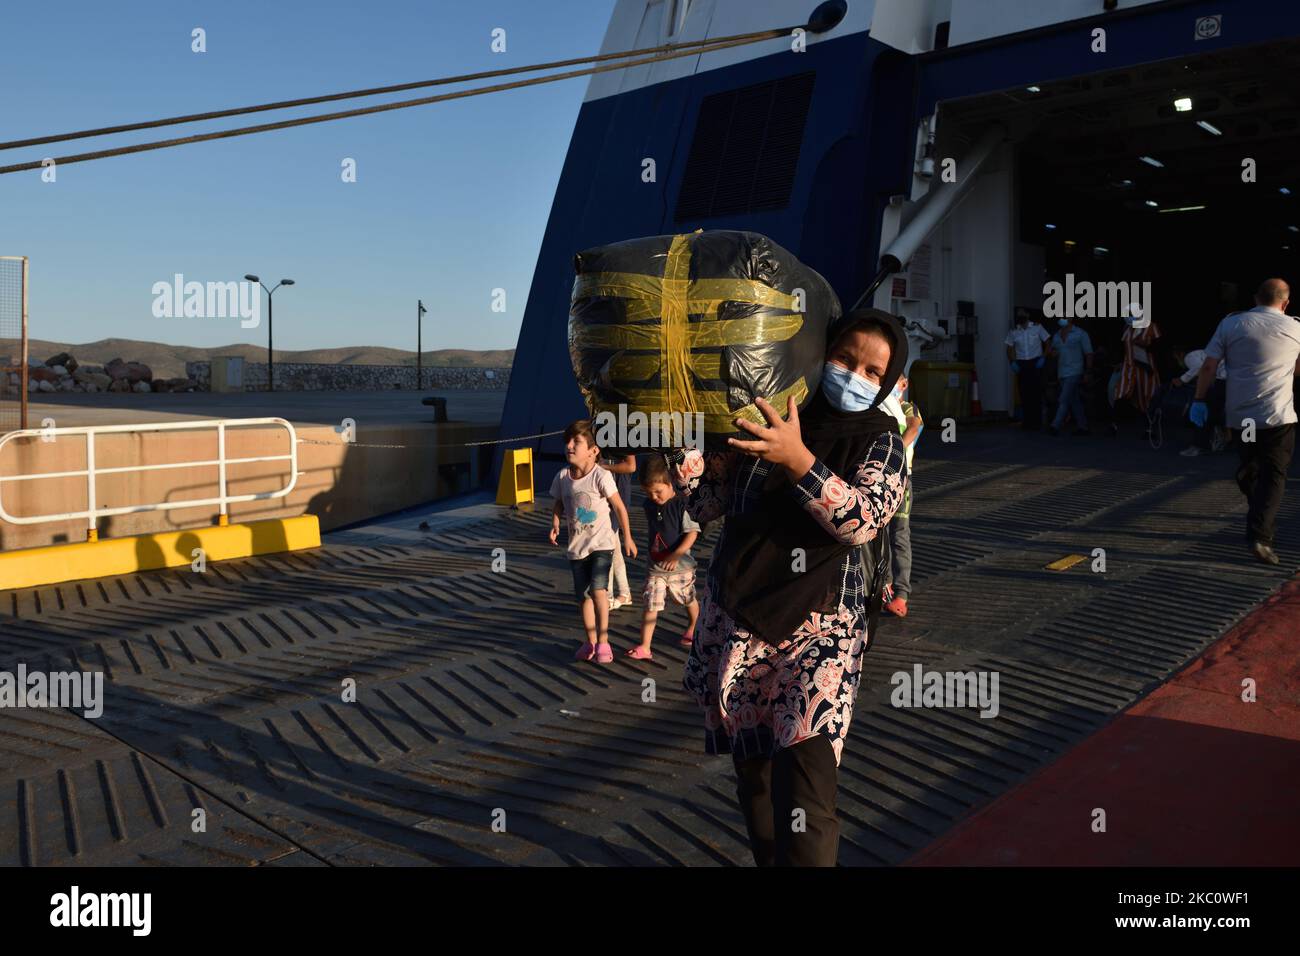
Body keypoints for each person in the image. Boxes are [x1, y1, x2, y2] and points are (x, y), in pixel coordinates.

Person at [667, 308, 908, 867]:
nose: (855, 376)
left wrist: (798, 459)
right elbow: (706, 503)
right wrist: (682, 442)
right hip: (739, 617)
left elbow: (862, 519)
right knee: (754, 782)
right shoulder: (766, 415)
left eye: (874, 372)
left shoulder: (882, 443)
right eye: (844, 359)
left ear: (890, 383)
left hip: (819, 630)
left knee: (805, 790)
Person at [1193, 278, 1300, 565]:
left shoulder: (1231, 324)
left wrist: (1199, 400)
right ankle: (1260, 534)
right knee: (1275, 475)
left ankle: (1259, 520)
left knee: (1250, 468)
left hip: (1244, 420)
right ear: (1286, 303)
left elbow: (1208, 365)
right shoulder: (1295, 328)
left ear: (1255, 298)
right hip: (1278, 418)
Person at [549, 421, 637, 662]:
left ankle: (604, 643)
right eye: (567, 441)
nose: (569, 446)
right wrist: (555, 522)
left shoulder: (601, 475)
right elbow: (559, 501)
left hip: (602, 545)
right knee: (583, 597)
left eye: (576, 442)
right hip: (577, 547)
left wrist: (627, 537)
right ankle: (590, 641)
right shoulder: (562, 477)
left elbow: (619, 507)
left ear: (593, 450)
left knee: (599, 590)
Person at [628, 455, 701, 660]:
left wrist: (676, 555)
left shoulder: (682, 505)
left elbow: (692, 533)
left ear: (670, 483)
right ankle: (645, 646)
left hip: (681, 566)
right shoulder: (649, 505)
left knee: (687, 598)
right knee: (650, 605)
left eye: (658, 491)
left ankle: (695, 626)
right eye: (648, 492)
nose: (653, 497)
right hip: (656, 567)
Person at [878, 375, 923, 617]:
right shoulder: (878, 406)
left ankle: (901, 594)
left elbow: (914, 426)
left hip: (902, 479)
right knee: (879, 534)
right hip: (882, 479)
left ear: (904, 384)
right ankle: (883, 585)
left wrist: (896, 451)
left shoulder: (907, 407)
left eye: (894, 380)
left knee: (899, 535)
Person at [1169, 346, 1227, 456]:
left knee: (1204, 413)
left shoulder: (1190, 357)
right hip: (1237, 380)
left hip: (1225, 380)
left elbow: (1200, 367)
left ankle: (1199, 445)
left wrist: (1182, 379)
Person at [598, 453, 637, 609]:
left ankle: (608, 596)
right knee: (613, 545)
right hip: (603, 494)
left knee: (609, 545)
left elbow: (631, 466)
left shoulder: (623, 436)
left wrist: (604, 467)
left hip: (617, 494)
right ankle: (624, 592)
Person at [1046, 317, 1094, 435]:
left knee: (1064, 398)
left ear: (1071, 318)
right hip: (1062, 372)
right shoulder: (1057, 335)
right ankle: (1083, 427)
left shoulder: (1080, 333)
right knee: (1074, 400)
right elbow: (1052, 351)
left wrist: (1088, 371)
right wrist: (1053, 353)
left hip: (1075, 371)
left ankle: (1055, 426)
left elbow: (1089, 353)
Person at [1004, 308, 1049, 429]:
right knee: (1024, 393)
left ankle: (1037, 422)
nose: (1020, 316)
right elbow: (1008, 349)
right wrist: (1012, 362)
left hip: (1035, 363)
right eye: (1018, 314)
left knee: (1036, 393)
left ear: (1028, 315)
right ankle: (1027, 422)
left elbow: (1048, 342)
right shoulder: (1013, 331)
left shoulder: (1037, 327)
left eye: (1022, 314)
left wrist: (1043, 358)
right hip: (1022, 364)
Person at [1116, 311, 1163, 421]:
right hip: (1129, 366)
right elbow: (1123, 347)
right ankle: (1114, 425)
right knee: (1121, 392)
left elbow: (1160, 348)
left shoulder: (1151, 327)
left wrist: (1144, 345)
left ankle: (1149, 427)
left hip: (1148, 367)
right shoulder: (1126, 328)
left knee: (1148, 395)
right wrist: (1120, 362)